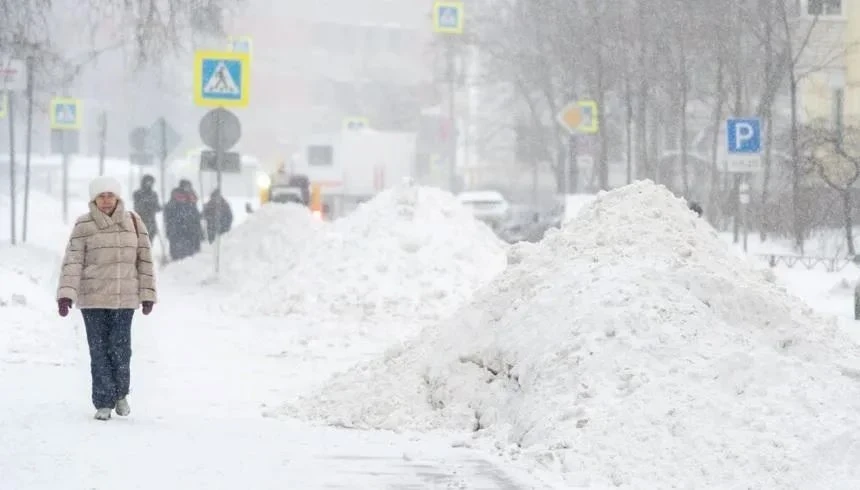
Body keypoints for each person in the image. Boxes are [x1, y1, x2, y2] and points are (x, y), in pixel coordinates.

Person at [56, 176, 157, 421]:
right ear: (94, 199)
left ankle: (120, 394)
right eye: (101, 196)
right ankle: (103, 401)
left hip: (124, 300)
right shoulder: (83, 225)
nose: (106, 200)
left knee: (121, 349)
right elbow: (73, 262)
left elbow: (144, 260)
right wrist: (66, 295)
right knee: (99, 350)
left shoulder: (133, 222)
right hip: (93, 299)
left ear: (118, 197)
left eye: (110, 195)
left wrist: (147, 294)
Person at [163, 179, 203, 261]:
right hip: (178, 229)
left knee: (191, 250)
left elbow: (195, 214)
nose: (187, 188)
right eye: (185, 186)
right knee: (179, 250)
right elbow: (169, 215)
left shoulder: (192, 199)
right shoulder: (174, 200)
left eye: (188, 186)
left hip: (191, 229)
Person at [132, 174, 162, 239]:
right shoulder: (138, 193)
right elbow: (137, 207)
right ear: (144, 182)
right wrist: (147, 205)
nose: (149, 184)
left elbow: (157, 207)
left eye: (151, 182)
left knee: (149, 242)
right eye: (148, 181)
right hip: (141, 221)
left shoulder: (154, 194)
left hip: (152, 222)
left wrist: (158, 207)